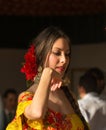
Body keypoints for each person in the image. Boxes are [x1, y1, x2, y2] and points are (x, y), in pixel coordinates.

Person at [6, 26, 89, 130]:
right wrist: (48, 72)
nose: (64, 60)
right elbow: (37, 113)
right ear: (41, 55)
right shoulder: (27, 96)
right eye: (57, 53)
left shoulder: (69, 95)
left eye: (67, 54)